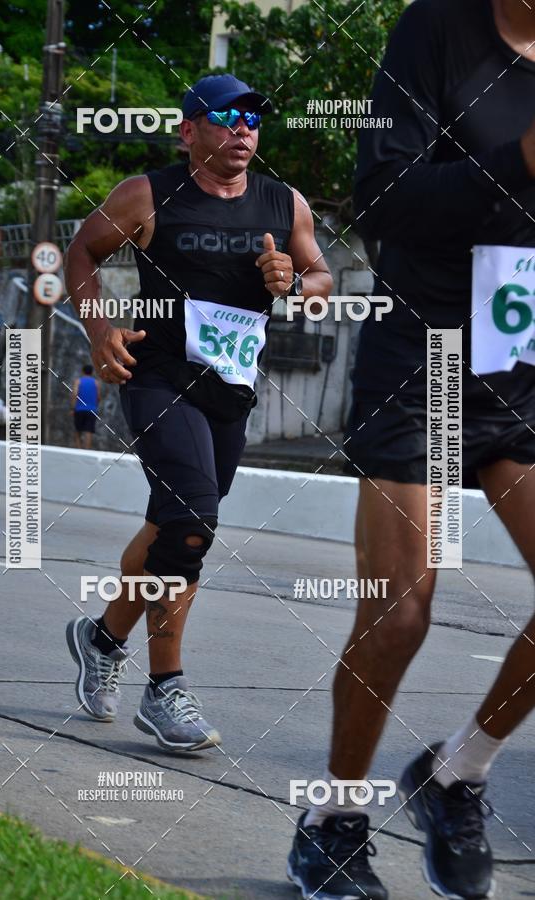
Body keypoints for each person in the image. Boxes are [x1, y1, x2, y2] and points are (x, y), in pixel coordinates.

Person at [288, 1, 535, 898]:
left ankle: (457, 772)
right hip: (425, 352)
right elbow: (384, 197)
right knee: (399, 615)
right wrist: (520, 162)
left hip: (521, 359)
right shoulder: (436, 30)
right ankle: (332, 820)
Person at [64, 73, 333, 752]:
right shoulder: (148, 195)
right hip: (158, 379)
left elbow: (321, 279)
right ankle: (166, 690)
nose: (244, 128)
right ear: (189, 131)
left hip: (230, 391)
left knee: (169, 523)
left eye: (253, 117)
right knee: (191, 522)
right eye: (226, 116)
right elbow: (81, 253)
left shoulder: (284, 203)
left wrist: (295, 283)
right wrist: (100, 332)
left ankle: (100, 639)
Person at [71, 364, 100, 450]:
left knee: (78, 430)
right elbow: (98, 397)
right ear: (92, 372)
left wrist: (73, 408)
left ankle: (79, 449)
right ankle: (87, 450)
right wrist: (94, 406)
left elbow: (75, 394)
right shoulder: (96, 382)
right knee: (89, 431)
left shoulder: (78, 381)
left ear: (83, 371)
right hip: (92, 409)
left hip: (79, 409)